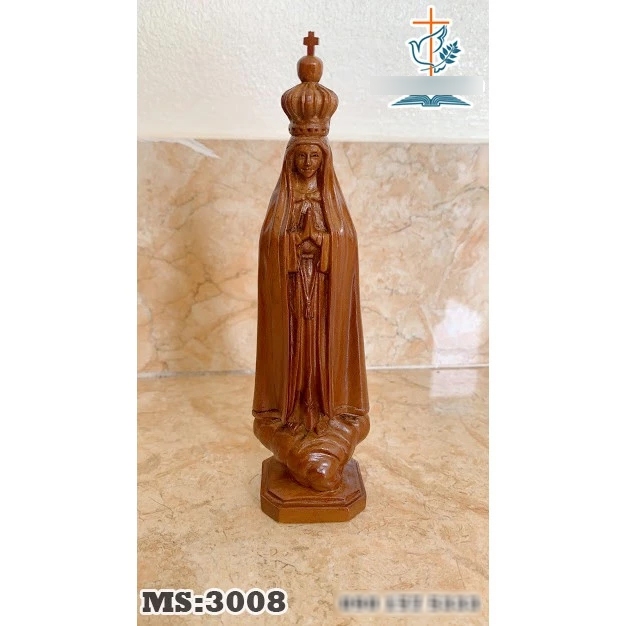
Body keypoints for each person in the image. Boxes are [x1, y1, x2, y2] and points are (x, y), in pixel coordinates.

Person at [252, 134, 369, 491]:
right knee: (296, 355)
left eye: (313, 156)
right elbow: (270, 242)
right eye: (300, 156)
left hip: (324, 299)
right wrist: (291, 244)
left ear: (324, 159)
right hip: (291, 300)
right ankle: (294, 416)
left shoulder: (330, 200)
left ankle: (327, 415)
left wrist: (323, 243)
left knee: (322, 353)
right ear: (290, 158)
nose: (307, 163)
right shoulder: (283, 200)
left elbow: (346, 242)